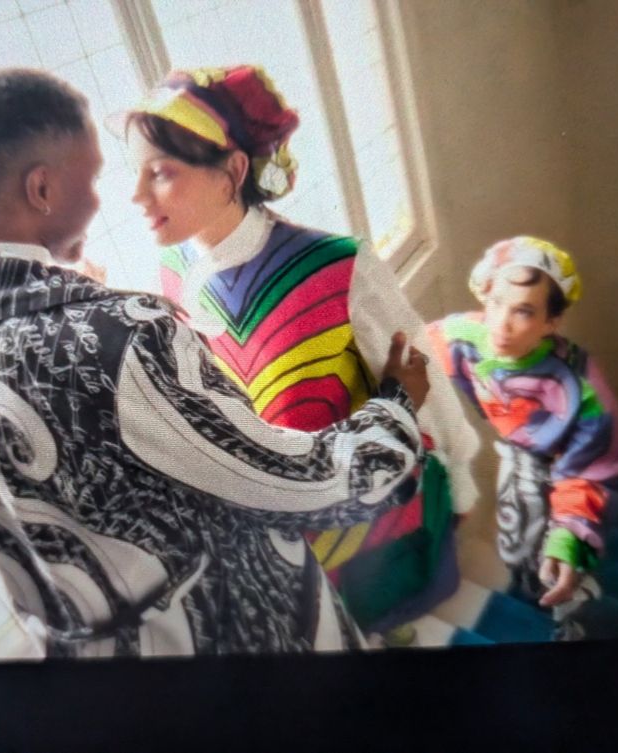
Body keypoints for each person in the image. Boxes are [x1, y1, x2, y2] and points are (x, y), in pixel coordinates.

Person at [0, 68, 431, 658]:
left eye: (158, 172)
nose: (118, 199)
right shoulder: (118, 335)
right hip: (240, 634)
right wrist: (395, 403)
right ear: (41, 189)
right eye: (93, 179)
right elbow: (312, 484)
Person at [117, 65, 479, 635]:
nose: (135, 195)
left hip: (369, 504)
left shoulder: (339, 267)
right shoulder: (174, 268)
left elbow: (420, 372)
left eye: (160, 173)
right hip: (286, 517)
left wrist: (460, 473)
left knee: (386, 615)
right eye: (136, 173)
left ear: (232, 171)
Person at [427, 236, 618, 638]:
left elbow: (588, 471)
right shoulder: (462, 336)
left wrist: (569, 537)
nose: (501, 323)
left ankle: (571, 608)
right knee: (516, 542)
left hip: (566, 466)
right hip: (516, 452)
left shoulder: (582, 391)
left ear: (552, 323)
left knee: (561, 549)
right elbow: (415, 343)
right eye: (496, 302)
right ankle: (530, 583)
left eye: (523, 311)